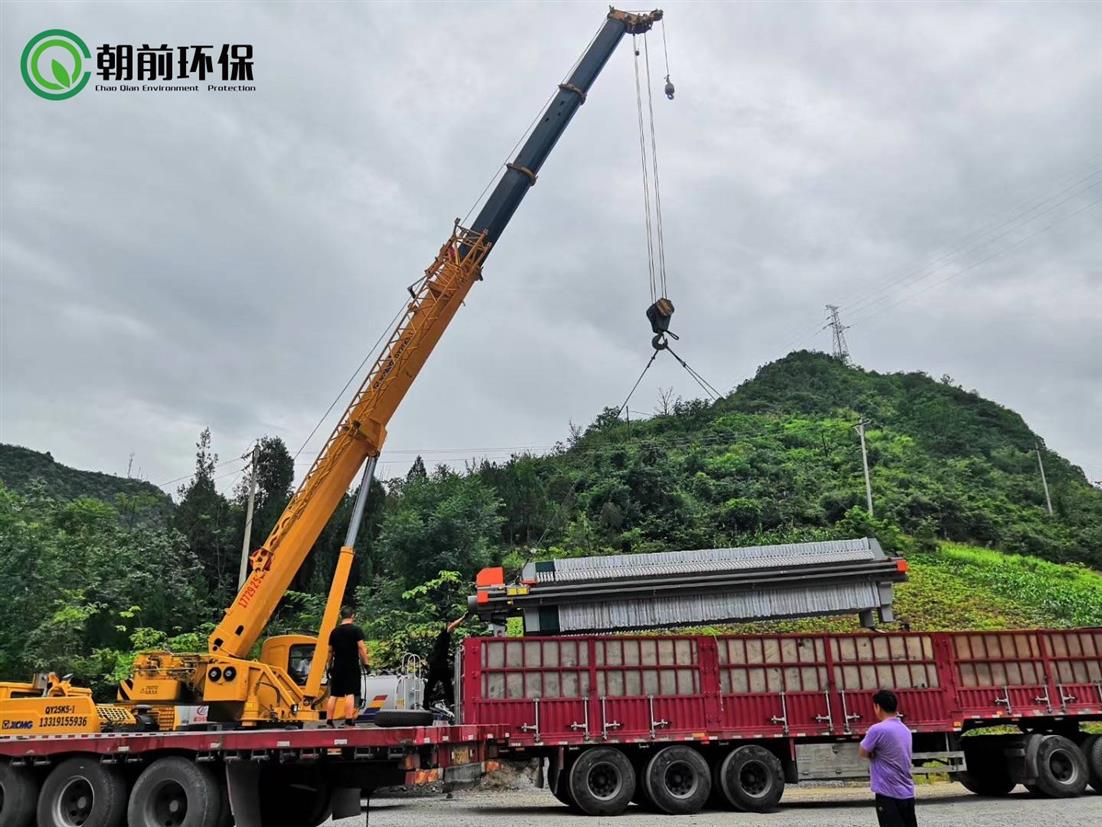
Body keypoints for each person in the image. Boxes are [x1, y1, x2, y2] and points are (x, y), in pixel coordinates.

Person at [859, 689, 917, 827]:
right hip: (907, 793)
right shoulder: (905, 729)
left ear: (877, 707)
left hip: (888, 793)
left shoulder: (877, 729)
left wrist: (873, 754)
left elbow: (862, 752)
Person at [326, 606, 369, 727]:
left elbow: (330, 651)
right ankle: (348, 719)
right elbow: (361, 648)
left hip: (337, 666)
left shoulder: (334, 632)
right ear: (352, 616)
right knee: (350, 692)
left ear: (341, 616)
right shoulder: (356, 630)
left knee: (334, 694)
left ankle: (329, 720)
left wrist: (329, 666)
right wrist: (366, 663)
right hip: (351, 665)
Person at [425, 613, 466, 708]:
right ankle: (451, 702)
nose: (454, 630)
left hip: (437, 664)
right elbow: (452, 626)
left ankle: (426, 703)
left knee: (433, 685)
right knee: (445, 684)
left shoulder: (442, 637)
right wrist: (463, 618)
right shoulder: (444, 634)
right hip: (439, 665)